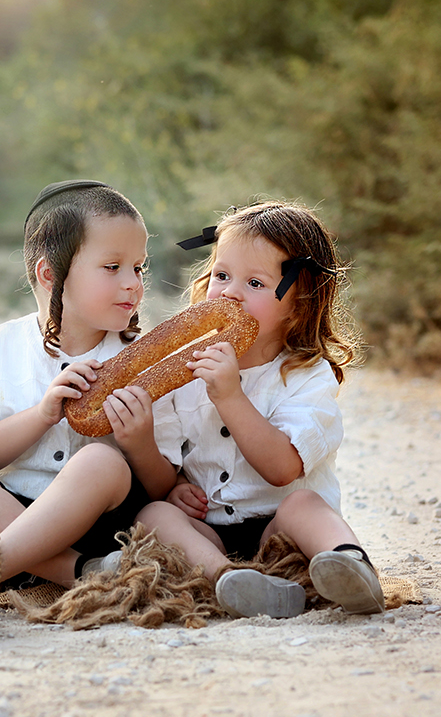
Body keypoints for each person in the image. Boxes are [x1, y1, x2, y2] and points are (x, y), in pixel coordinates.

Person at [0, 180, 181, 588]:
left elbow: (166, 485)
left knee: (101, 460)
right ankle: (75, 572)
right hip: (9, 517)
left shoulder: (144, 359)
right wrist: (41, 416)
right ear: (50, 274)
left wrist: (140, 440)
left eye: (139, 267)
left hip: (104, 524)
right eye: (112, 267)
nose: (132, 282)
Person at [137, 200, 383, 617]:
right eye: (222, 275)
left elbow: (283, 468)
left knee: (304, 506)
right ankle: (227, 579)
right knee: (155, 512)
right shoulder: (186, 367)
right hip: (209, 532)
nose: (230, 291)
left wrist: (231, 396)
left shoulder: (306, 375)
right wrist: (173, 483)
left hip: (279, 532)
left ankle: (352, 566)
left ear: (299, 302)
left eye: (254, 283)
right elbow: (165, 465)